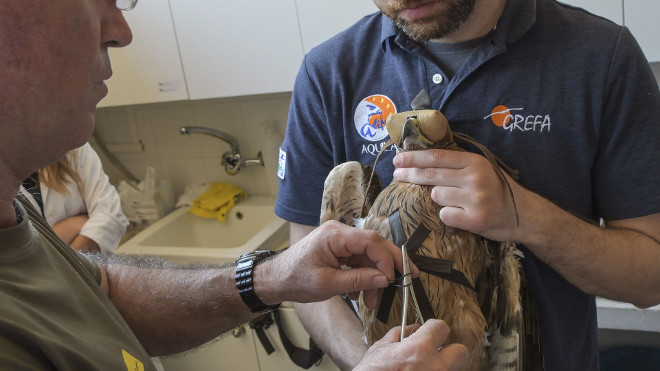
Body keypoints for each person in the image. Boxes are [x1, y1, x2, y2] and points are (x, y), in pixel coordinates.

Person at [0, 0, 469, 370]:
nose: (122, 32)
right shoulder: (329, 69)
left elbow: (100, 291)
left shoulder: (14, 212)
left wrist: (265, 279)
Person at [274, 0, 660, 370]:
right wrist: (369, 363)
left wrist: (524, 216)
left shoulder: (601, 56)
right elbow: (309, 283)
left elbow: (650, 278)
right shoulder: (327, 73)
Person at [20, 142, 129, 254]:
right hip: (34, 270)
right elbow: (16, 253)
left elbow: (112, 216)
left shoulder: (74, 143)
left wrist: (67, 265)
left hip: (85, 267)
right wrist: (74, 224)